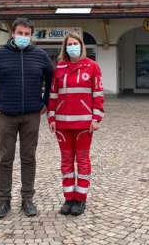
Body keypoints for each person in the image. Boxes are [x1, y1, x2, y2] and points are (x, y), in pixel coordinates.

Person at [0, 18, 53, 219]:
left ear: (31, 35)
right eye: (20, 33)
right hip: (6, 116)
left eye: (27, 34)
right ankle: (3, 201)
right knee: (5, 159)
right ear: (12, 33)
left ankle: (27, 199)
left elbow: (52, 80)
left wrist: (46, 102)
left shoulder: (40, 55)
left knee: (29, 158)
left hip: (32, 116)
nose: (23, 37)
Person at [47, 33, 104, 216]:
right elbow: (53, 95)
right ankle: (69, 198)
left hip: (84, 124)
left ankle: (80, 199)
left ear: (81, 46)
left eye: (75, 43)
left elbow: (98, 94)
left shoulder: (92, 66)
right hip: (63, 124)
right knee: (66, 163)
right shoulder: (59, 68)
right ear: (65, 48)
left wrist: (96, 118)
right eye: (69, 44)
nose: (72, 47)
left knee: (83, 162)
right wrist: (51, 117)